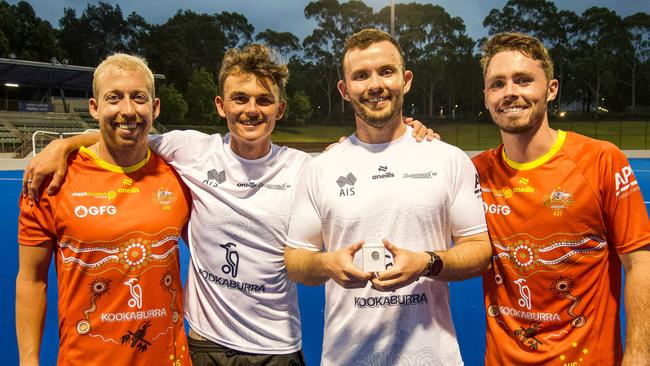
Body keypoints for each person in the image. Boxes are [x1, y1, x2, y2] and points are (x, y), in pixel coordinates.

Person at [21, 44, 435, 365]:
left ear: (279, 108)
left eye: (262, 100)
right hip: (204, 346)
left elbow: (370, 158)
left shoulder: (309, 168)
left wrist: (411, 134)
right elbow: (126, 132)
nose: (250, 110)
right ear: (221, 106)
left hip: (277, 346)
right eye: (239, 99)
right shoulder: (189, 151)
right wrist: (63, 143)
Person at [284, 28, 492, 365]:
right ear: (344, 89)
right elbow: (295, 261)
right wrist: (326, 264)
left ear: (405, 80)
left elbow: (480, 251)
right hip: (347, 357)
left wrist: (427, 262)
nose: (375, 85)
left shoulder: (447, 159)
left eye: (386, 71)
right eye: (361, 75)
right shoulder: (321, 168)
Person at [474, 32, 650, 365]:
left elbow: (641, 263)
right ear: (486, 97)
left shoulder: (601, 161)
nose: (510, 92)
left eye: (523, 80)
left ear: (551, 89)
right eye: (497, 84)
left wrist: (640, 354)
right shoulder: (474, 172)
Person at [16, 54, 191, 365]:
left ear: (155, 107)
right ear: (94, 107)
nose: (127, 110)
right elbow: (32, 280)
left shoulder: (180, 175)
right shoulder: (52, 180)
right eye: (114, 98)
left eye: (139, 98)